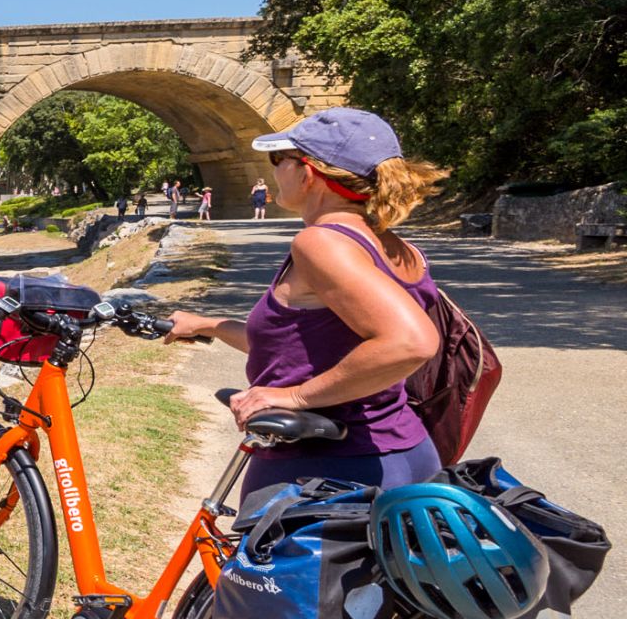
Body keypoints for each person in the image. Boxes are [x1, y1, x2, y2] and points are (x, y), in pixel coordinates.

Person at [167, 108, 451, 498]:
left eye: (277, 160)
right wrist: (207, 325)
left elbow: (410, 342)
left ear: (308, 173)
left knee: (251, 560)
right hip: (406, 454)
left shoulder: (320, 243)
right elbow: (308, 349)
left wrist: (294, 397)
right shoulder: (391, 244)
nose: (273, 171)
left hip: (326, 467)